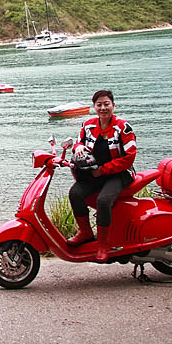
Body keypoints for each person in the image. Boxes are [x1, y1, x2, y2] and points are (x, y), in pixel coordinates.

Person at [66, 89, 137, 261]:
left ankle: (103, 243)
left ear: (113, 105)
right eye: (99, 105)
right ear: (94, 107)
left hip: (120, 173)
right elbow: (79, 142)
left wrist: (103, 170)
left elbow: (129, 157)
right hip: (96, 172)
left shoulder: (123, 128)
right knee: (75, 194)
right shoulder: (88, 125)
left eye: (107, 104)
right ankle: (85, 233)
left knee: (103, 200)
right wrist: (78, 148)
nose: (103, 108)